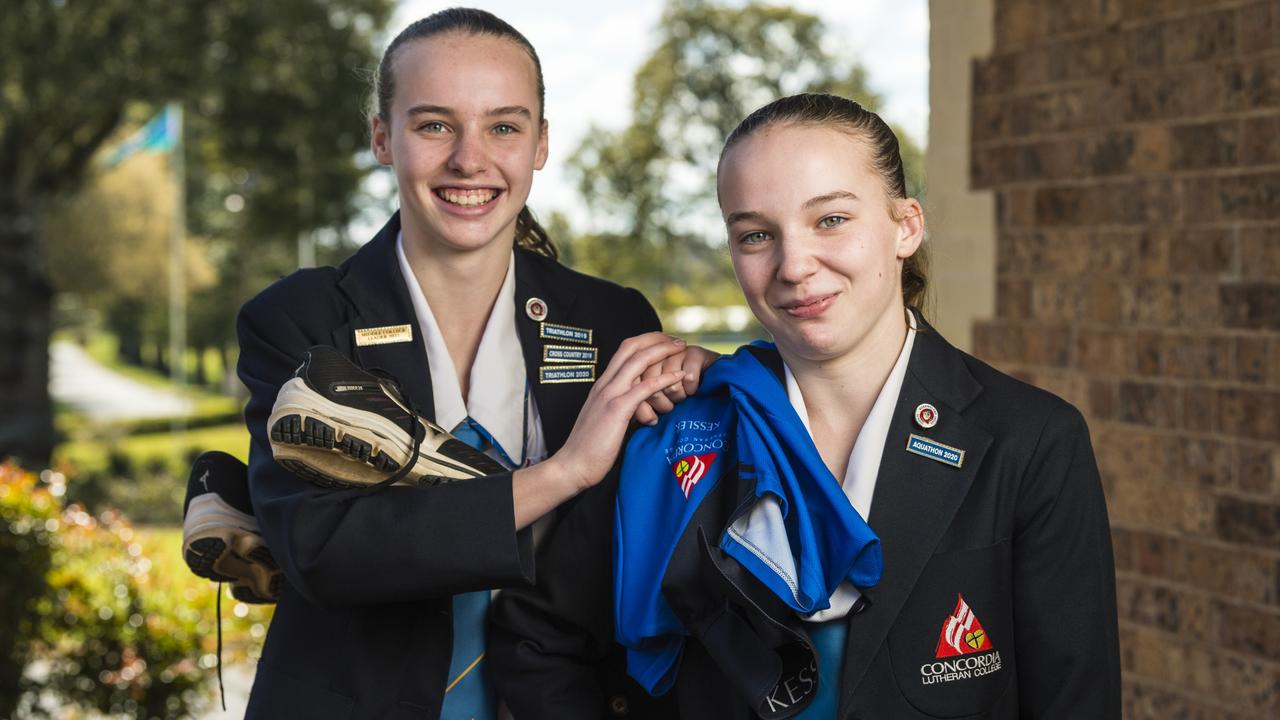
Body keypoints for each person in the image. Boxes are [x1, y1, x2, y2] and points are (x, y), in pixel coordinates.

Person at [490, 93, 1122, 719]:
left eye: (831, 220)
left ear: (905, 226)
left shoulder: (1032, 442)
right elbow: (535, 640)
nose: (794, 265)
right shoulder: (676, 429)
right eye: (757, 234)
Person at [185, 8, 713, 719]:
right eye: (435, 124)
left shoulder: (612, 323)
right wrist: (564, 474)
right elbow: (324, 554)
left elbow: (649, 540)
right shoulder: (301, 321)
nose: (471, 158)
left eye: (504, 126)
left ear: (540, 144)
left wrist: (722, 379)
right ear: (382, 137)